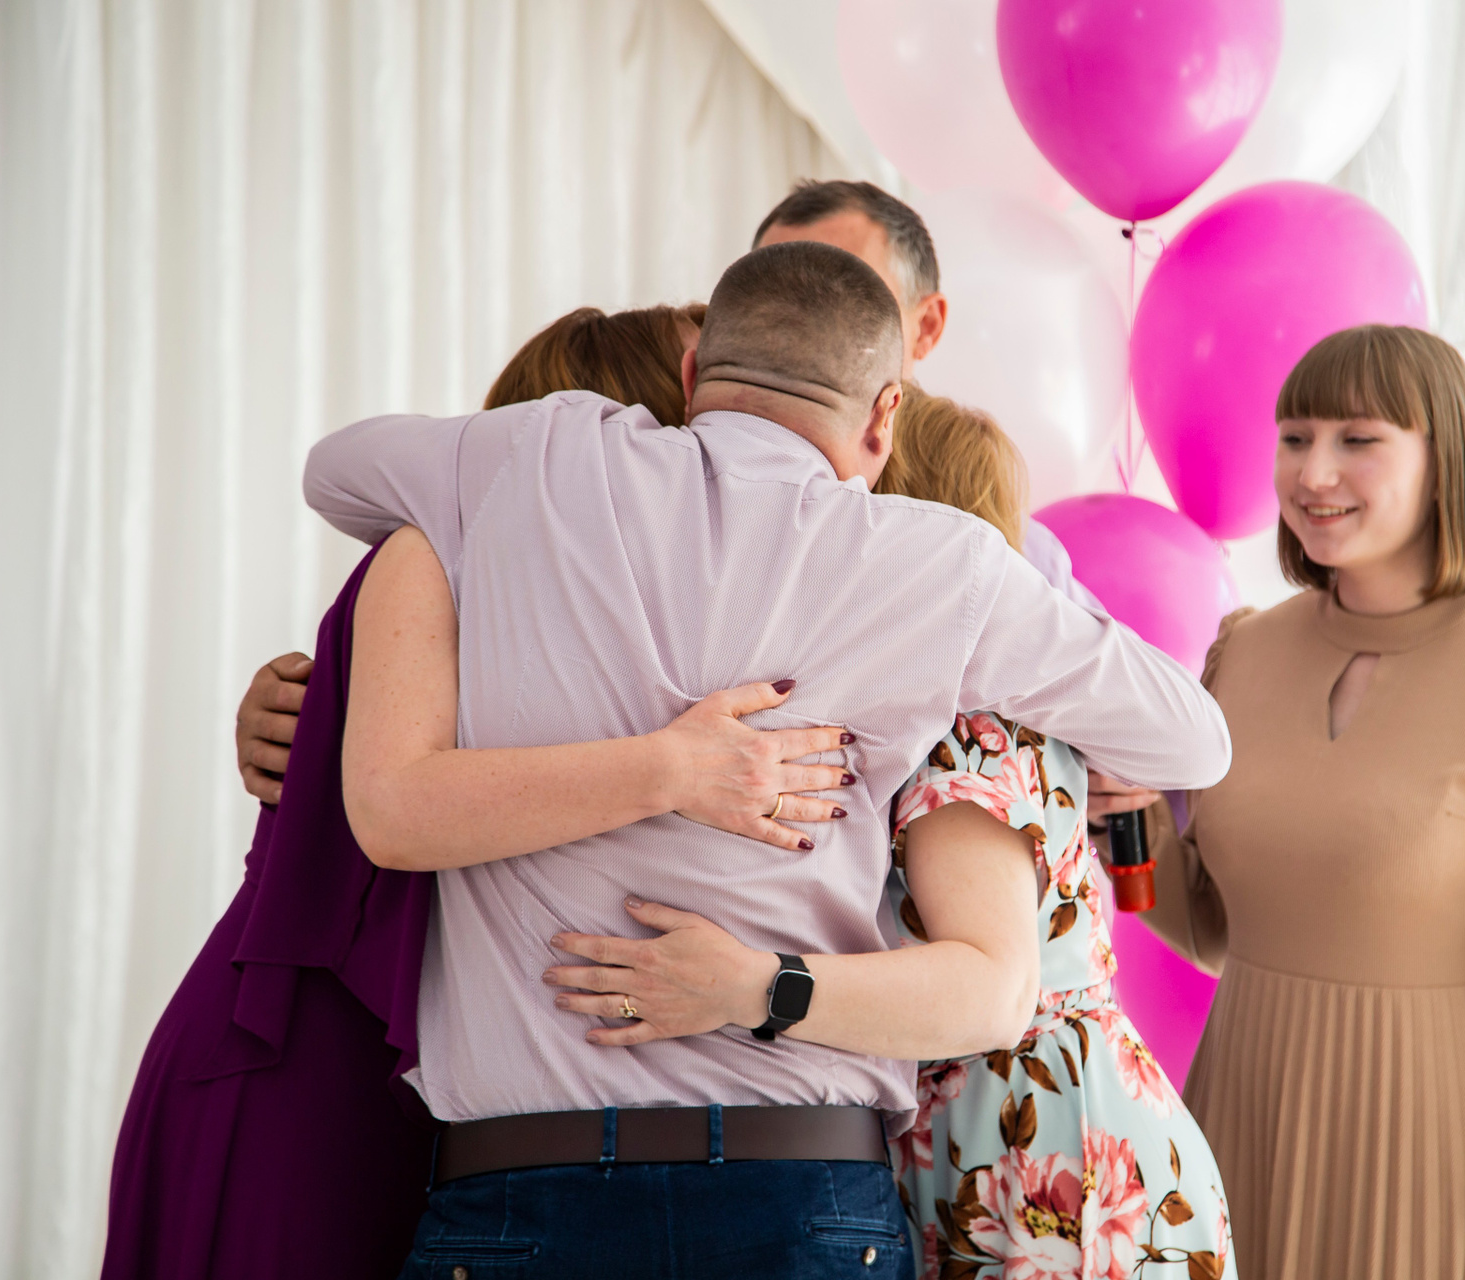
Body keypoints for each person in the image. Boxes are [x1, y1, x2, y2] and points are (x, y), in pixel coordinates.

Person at [306, 240, 1229, 1279]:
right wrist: (1089, 751)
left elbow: (330, 473)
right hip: (798, 1189)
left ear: (692, 373)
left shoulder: (530, 458)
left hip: (518, 1186)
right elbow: (1193, 738)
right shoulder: (937, 563)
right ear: (885, 413)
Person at [102, 303, 854, 1280]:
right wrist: (678, 768)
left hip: (432, 1106)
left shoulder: (635, 625)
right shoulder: (435, 563)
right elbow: (393, 803)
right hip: (302, 1072)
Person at [544, 389, 1235, 1280]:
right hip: (1014, 1136)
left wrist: (748, 986)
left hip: (1043, 1159)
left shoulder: (969, 730)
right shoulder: (972, 706)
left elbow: (988, 983)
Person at [232, 181, 1108, 792]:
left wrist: (1110, 775)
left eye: (852, 292)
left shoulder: (980, 534)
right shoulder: (597, 491)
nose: (804, 314)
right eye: (775, 284)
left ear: (924, 327)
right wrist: (325, 705)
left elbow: (1095, 747)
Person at [1140, 325, 1465, 1280]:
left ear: (1444, 460)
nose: (1313, 472)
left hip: (1433, 1156)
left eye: (1357, 439)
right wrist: (1125, 821)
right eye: (1295, 437)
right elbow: (1215, 928)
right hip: (1237, 1124)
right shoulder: (1243, 654)